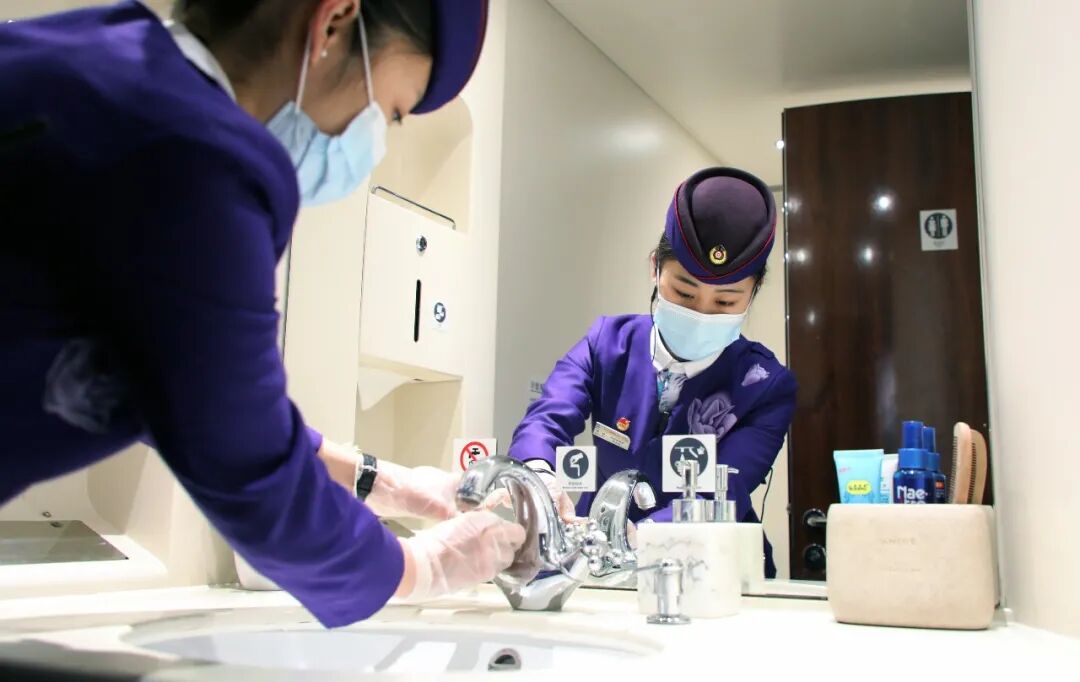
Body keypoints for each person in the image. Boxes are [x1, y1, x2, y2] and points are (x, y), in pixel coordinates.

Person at [0, 0, 524, 628]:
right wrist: (424, 566)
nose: (375, 141)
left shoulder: (91, 52)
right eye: (390, 112)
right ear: (333, 20)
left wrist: (379, 481)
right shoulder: (201, 160)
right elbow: (249, 468)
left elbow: (190, 390)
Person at [507, 167, 797, 577]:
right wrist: (539, 477)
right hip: (600, 559)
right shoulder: (608, 343)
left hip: (709, 568)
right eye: (684, 292)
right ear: (655, 269)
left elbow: (725, 490)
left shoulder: (765, 386)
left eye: (726, 302)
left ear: (753, 294)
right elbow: (546, 418)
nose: (701, 313)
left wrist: (640, 536)